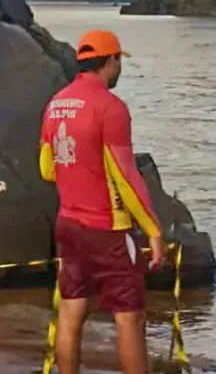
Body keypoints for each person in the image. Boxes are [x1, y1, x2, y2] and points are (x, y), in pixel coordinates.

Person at [38, 30, 166, 374]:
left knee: (71, 309)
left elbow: (47, 168)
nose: (118, 68)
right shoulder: (110, 107)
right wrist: (153, 230)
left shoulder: (56, 103)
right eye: (118, 62)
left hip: (69, 224)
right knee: (130, 318)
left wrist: (79, 170)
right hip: (108, 228)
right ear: (110, 61)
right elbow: (126, 176)